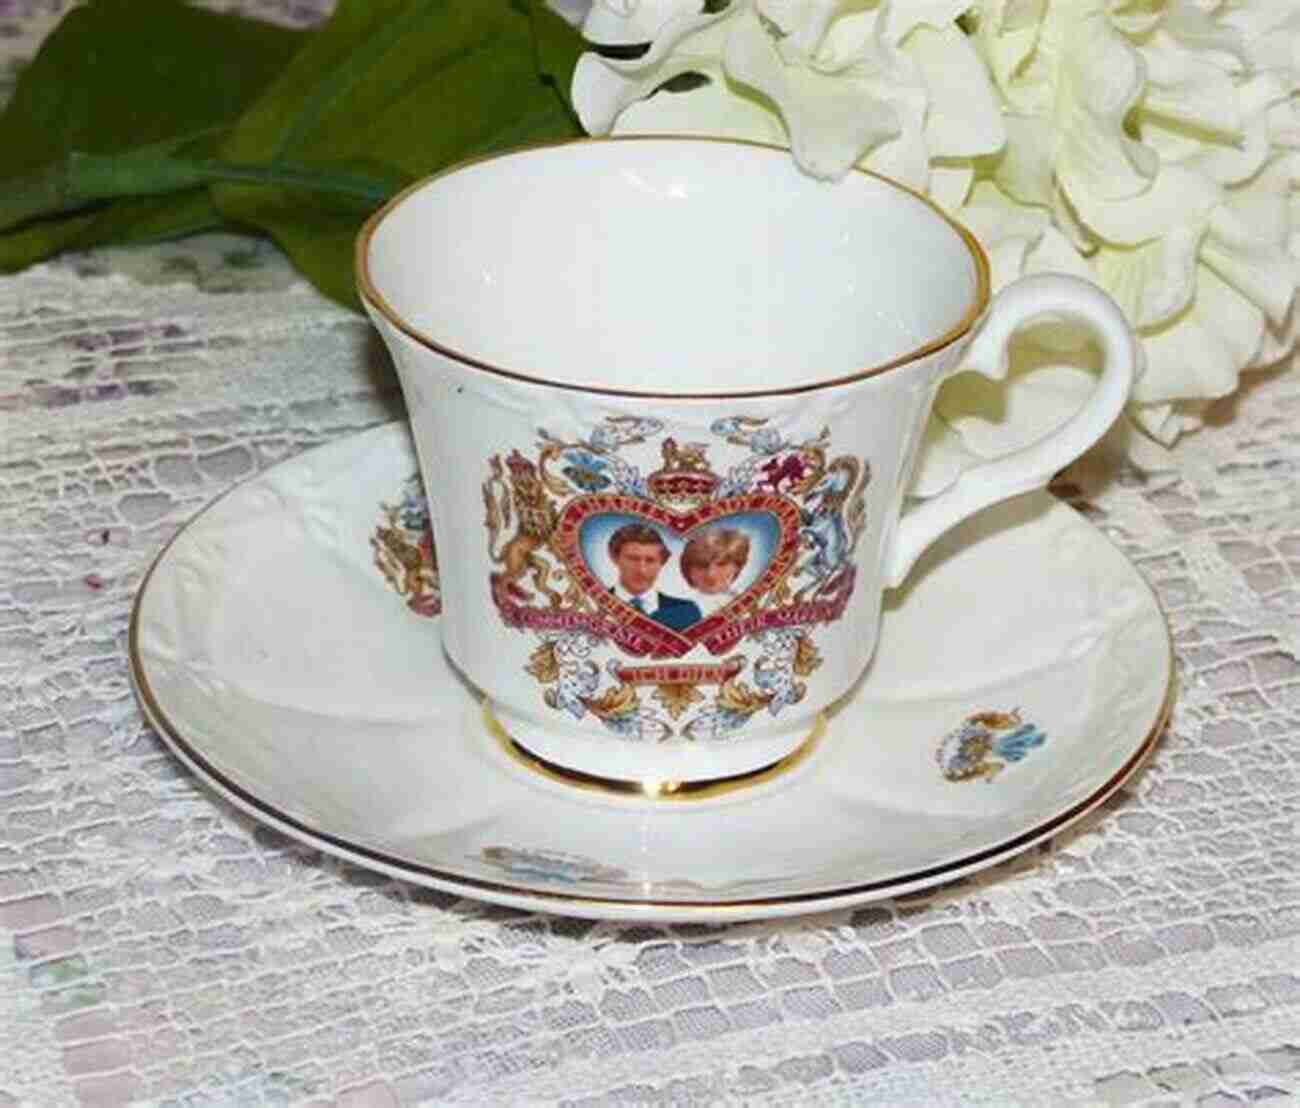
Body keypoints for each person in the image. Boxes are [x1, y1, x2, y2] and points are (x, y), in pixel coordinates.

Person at [606, 522, 701, 631]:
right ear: (614, 558)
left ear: (662, 562)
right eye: (633, 559)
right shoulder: (594, 606)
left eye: (650, 560)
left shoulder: (686, 613)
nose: (642, 570)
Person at [680, 528, 750, 614]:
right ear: (689, 570)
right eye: (701, 566)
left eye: (721, 565)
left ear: (737, 567)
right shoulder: (678, 608)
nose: (711, 574)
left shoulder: (750, 602)